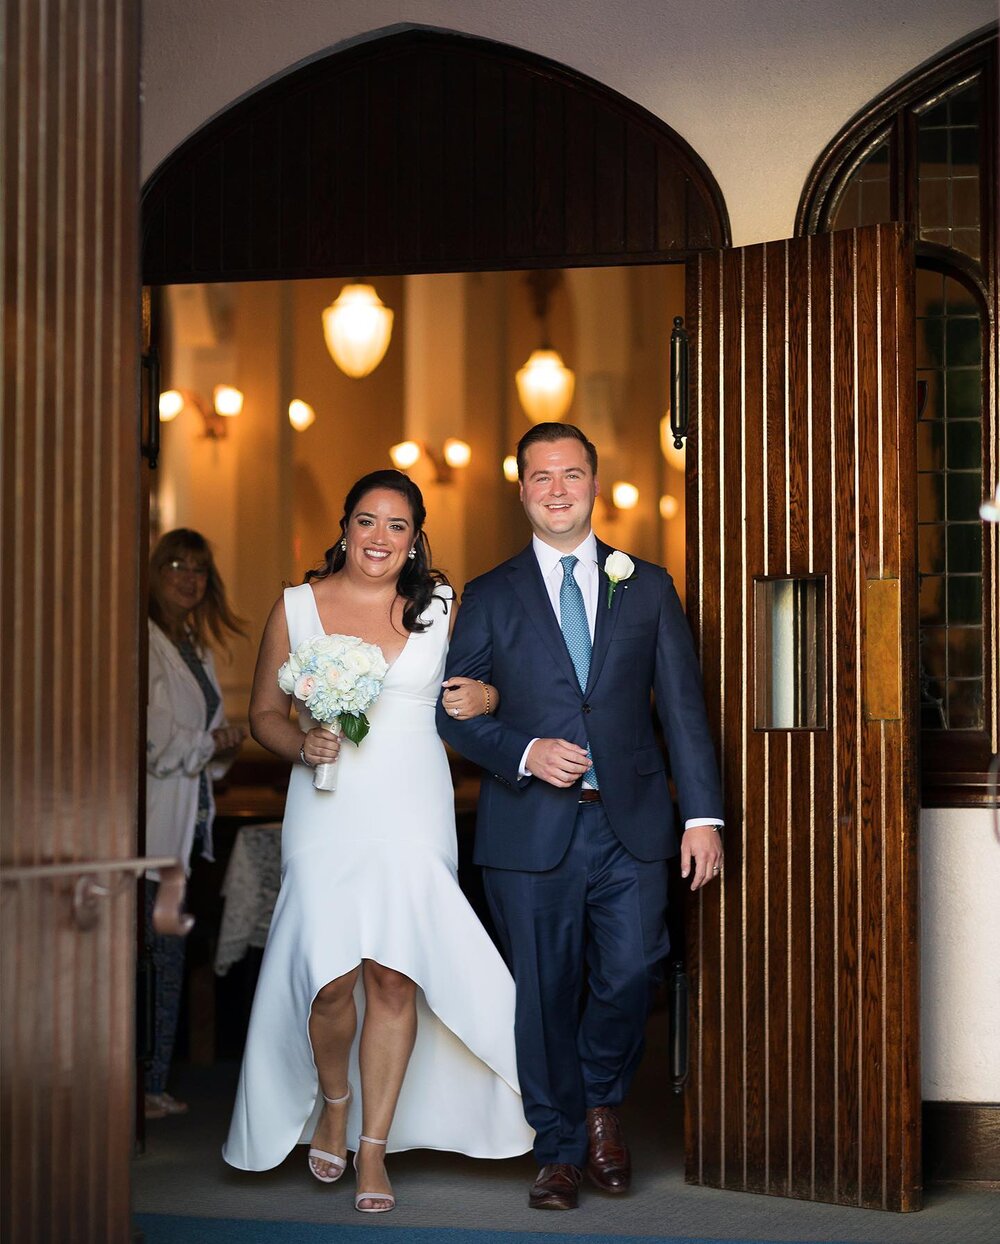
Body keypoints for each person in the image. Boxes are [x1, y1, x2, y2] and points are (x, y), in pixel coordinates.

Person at [223, 469, 534, 1212]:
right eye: (368, 522)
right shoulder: (297, 607)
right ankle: (334, 1100)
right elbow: (264, 713)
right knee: (329, 981)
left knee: (395, 975)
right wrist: (302, 745)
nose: (381, 539)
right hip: (326, 811)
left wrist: (490, 696)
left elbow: (495, 687)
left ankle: (373, 1147)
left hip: (413, 807)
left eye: (398, 526)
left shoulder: (444, 608)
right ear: (344, 527)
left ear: (417, 538)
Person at [437, 423, 724, 1211]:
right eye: (541, 476)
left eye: (571, 474)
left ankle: (601, 1101)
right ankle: (559, 1147)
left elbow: (686, 711)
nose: (557, 489)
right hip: (528, 828)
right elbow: (455, 713)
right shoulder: (492, 595)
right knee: (544, 991)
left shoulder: (649, 585)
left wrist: (703, 816)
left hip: (630, 826)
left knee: (632, 971)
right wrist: (525, 750)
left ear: (595, 483)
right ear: (520, 488)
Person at [145, 529, 247, 1119]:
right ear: (155, 572)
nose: (188, 577)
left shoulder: (193, 645)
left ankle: (154, 1082)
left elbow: (203, 741)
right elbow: (153, 738)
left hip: (189, 824)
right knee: (152, 958)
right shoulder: (143, 641)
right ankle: (141, 1085)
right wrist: (207, 742)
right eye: (177, 565)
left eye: (200, 569)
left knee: (170, 958)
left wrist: (221, 743)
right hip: (154, 824)